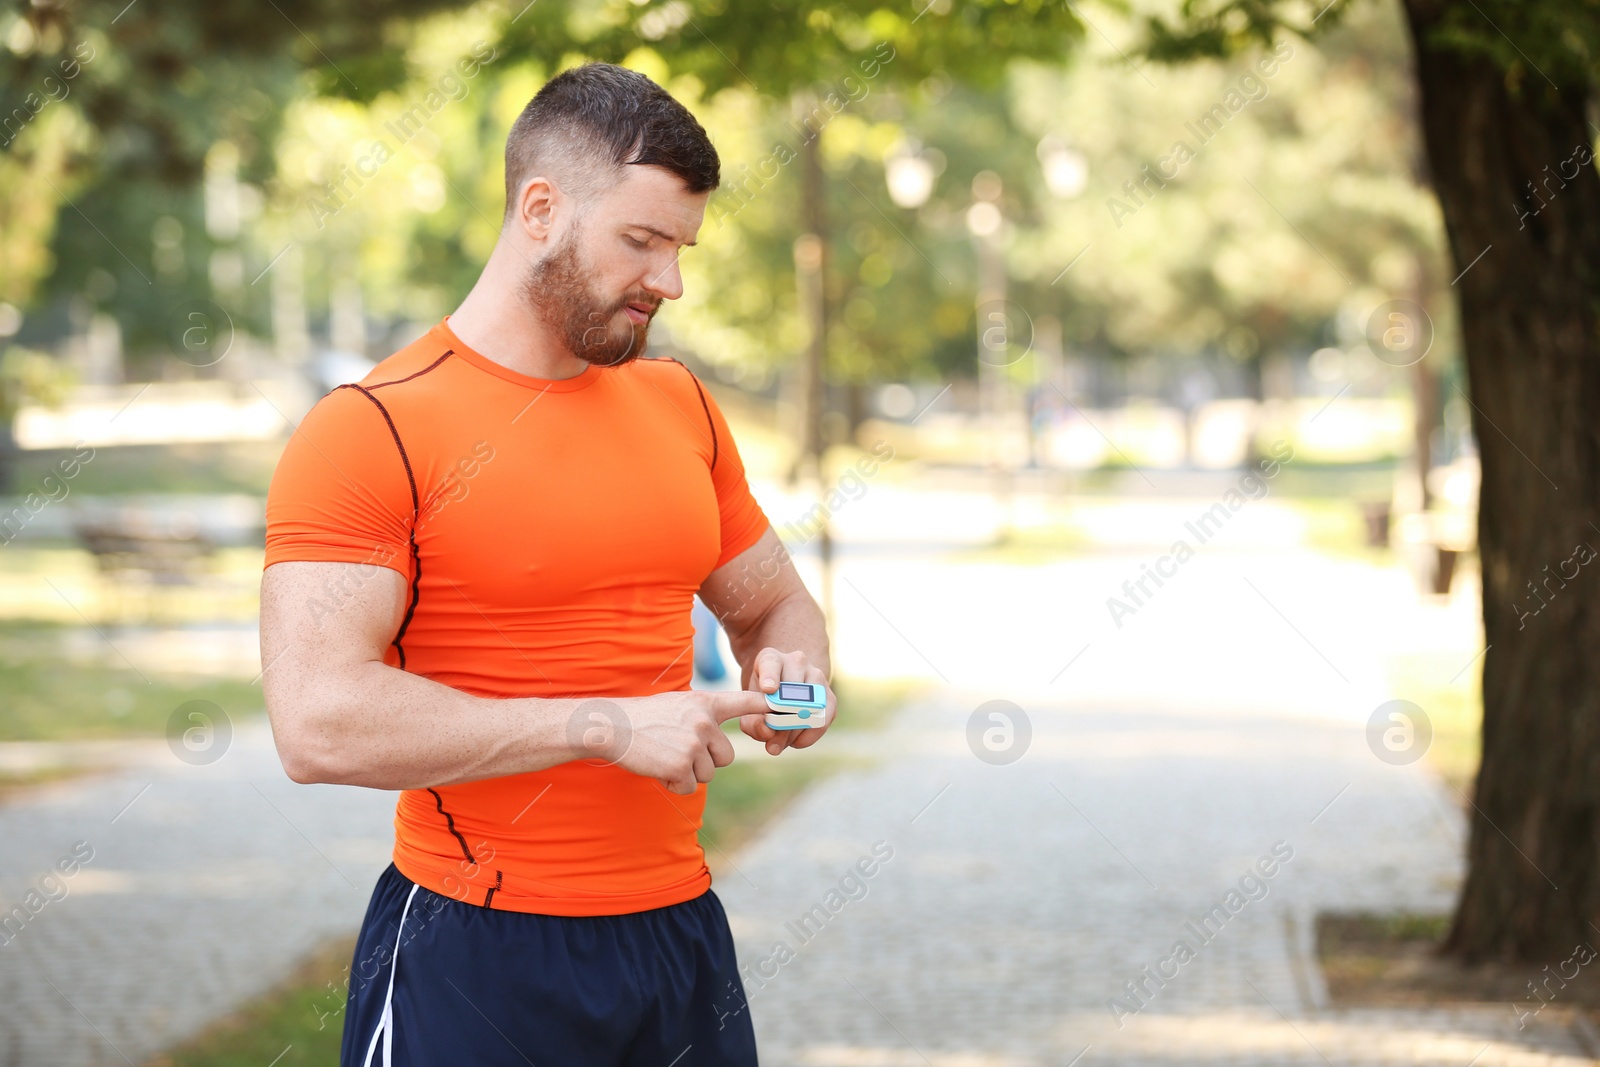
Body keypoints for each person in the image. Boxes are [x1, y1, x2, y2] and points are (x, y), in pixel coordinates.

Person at [259, 62, 834, 1067]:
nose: (671, 281)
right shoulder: (373, 428)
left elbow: (776, 602)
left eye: (682, 247)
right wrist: (604, 724)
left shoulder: (680, 405)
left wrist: (795, 673)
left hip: (679, 934)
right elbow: (315, 720)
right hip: (474, 947)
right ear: (540, 208)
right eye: (642, 241)